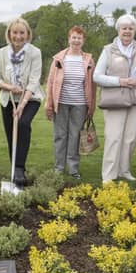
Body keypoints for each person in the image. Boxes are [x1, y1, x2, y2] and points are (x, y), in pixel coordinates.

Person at [94, 14, 136, 183]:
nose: (127, 31)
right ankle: (109, 175)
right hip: (115, 101)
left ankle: (124, 170)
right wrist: (120, 82)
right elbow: (97, 77)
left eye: (130, 28)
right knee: (113, 138)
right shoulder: (108, 50)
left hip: (134, 101)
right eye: (124, 28)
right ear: (118, 30)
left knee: (130, 138)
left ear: (134, 31)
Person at [0, 18, 43, 187]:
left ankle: (20, 168)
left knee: (22, 124)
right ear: (9, 34)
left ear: (27, 34)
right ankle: (14, 171)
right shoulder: (2, 53)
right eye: (15, 32)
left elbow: (34, 80)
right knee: (11, 135)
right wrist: (9, 87)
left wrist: (22, 105)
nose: (18, 36)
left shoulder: (35, 53)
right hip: (8, 99)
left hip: (30, 98)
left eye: (22, 33)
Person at [45, 26, 96, 180]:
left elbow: (92, 86)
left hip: (80, 104)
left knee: (75, 136)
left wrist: (91, 106)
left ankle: (73, 169)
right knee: (60, 135)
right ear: (69, 39)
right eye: (73, 37)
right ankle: (59, 168)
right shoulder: (59, 59)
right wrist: (49, 104)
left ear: (83, 41)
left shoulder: (88, 60)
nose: (76, 40)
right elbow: (50, 82)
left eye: (79, 38)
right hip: (60, 103)